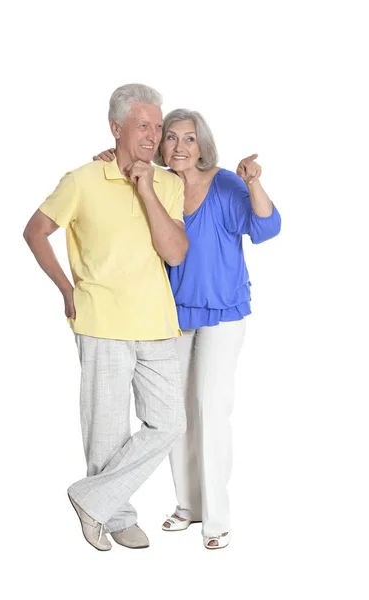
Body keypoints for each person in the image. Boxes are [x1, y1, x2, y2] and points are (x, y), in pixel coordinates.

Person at [93, 107, 281, 549]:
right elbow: (120, 204)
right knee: (173, 416)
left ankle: (216, 517)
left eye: (189, 138)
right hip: (170, 314)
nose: (179, 146)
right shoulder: (156, 183)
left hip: (222, 312)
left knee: (210, 409)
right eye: (171, 138)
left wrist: (253, 180)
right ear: (159, 145)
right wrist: (110, 160)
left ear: (203, 144)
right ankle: (187, 506)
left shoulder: (223, 182)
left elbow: (267, 227)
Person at [23, 84, 189, 552]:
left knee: (169, 423)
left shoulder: (169, 183)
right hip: (102, 319)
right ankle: (115, 515)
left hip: (156, 321)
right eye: (144, 126)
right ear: (115, 128)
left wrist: (145, 186)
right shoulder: (82, 180)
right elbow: (36, 231)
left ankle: (90, 500)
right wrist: (64, 287)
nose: (153, 136)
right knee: (107, 430)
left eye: (158, 127)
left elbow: (175, 253)